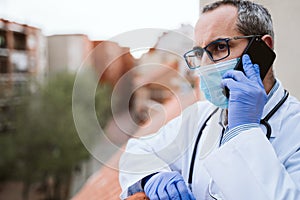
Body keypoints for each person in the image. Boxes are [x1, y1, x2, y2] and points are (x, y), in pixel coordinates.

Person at [119, 0, 300, 199]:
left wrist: (244, 132)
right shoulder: (200, 116)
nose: (205, 65)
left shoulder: (295, 128)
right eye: (199, 53)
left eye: (220, 47)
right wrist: (152, 177)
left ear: (263, 49)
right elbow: (138, 152)